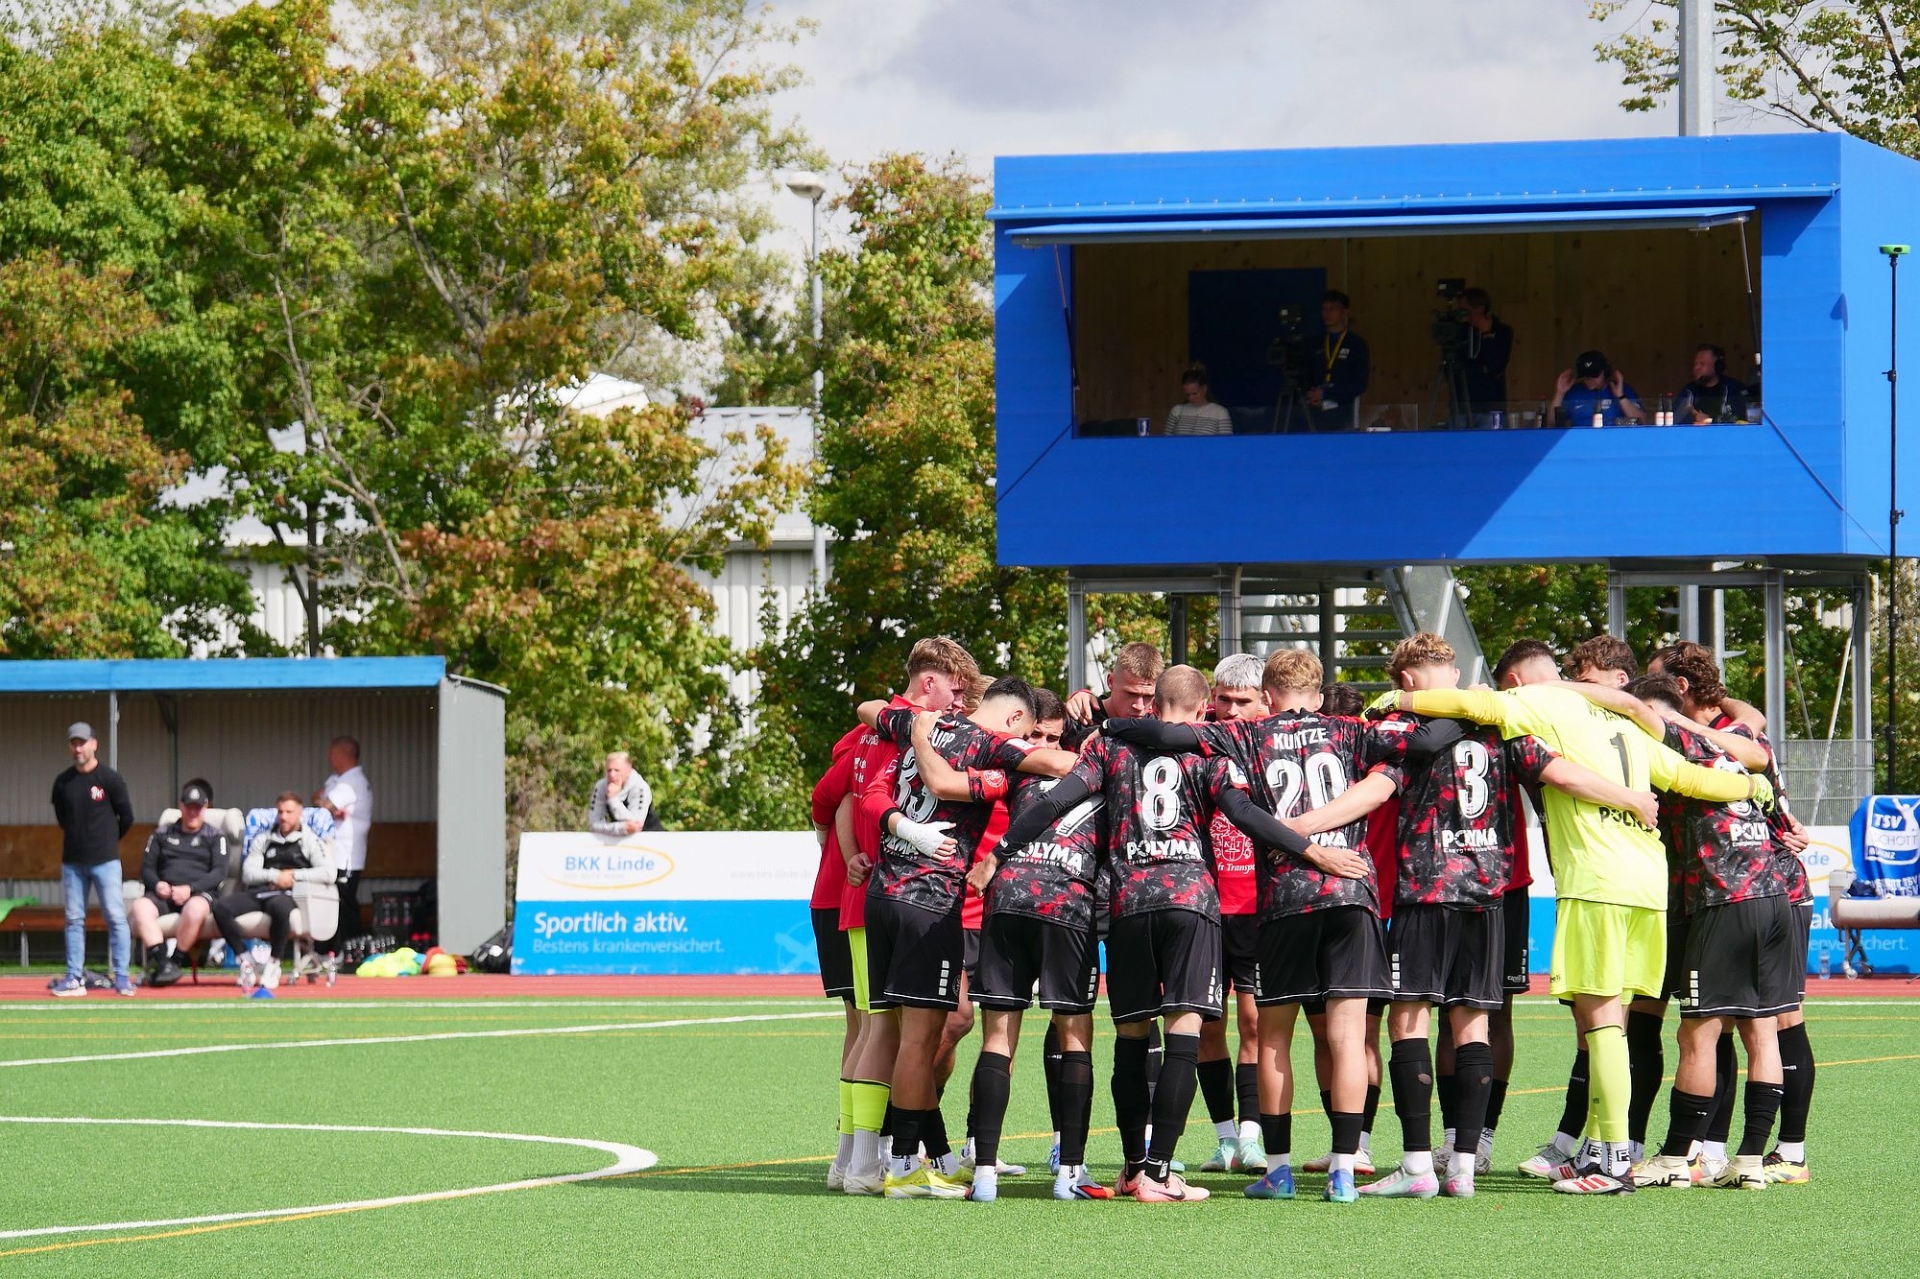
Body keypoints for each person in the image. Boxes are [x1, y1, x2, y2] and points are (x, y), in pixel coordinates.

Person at [1387, 644, 1775, 1194]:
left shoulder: (1545, 705)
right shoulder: (1624, 726)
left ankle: (1612, 1162)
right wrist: (1756, 786)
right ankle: (1598, 1148)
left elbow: (1473, 706)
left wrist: (1395, 699)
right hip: (1649, 885)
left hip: (1597, 882)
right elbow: (1692, 779)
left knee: (1602, 1023)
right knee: (1616, 1021)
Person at [997, 665, 1333, 1204]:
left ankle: (1133, 1168)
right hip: (1190, 903)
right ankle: (1158, 1174)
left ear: (1153, 706)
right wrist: (1310, 850)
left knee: (1131, 1039)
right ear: (1202, 710)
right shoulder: (1210, 751)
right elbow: (1244, 814)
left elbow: (1056, 802)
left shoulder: (1109, 749)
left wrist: (1001, 852)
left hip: (1129, 905)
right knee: (1183, 1036)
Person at [856, 677, 1076, 1200]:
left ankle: (931, 1153)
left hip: (884, 894)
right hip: (928, 901)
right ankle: (902, 1164)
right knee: (919, 1041)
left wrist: (919, 730)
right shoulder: (994, 748)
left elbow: (868, 708)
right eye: (1029, 732)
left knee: (925, 1032)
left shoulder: (920, 722)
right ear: (1016, 720)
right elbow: (1057, 765)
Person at [1619, 674, 1791, 1192]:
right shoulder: (1729, 744)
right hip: (1773, 895)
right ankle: (1750, 1160)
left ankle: (1675, 1158)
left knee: (1697, 1033)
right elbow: (1753, 723)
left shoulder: (1673, 740)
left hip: (1724, 899)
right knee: (1761, 1030)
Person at [839, 636, 983, 1197]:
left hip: (885, 893)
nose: (961, 704)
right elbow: (846, 797)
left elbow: (837, 798)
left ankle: (886, 1159)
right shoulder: (898, 730)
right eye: (956, 691)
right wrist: (860, 849)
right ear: (930, 683)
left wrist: (849, 848)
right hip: (897, 895)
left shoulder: (895, 724)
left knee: (905, 1027)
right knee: (889, 1030)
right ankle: (874, 1162)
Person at [1197, 655, 1270, 1177]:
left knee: (1255, 1024)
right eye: (1224, 699)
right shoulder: (1195, 740)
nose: (1232, 710)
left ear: (1266, 700)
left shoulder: (1278, 743)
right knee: (1207, 1024)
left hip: (1259, 907)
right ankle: (1225, 1137)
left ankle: (1252, 1136)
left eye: (1244, 701)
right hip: (1204, 905)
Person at [211, 792, 335, 988]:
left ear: (300, 813)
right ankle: (246, 959)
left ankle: (274, 963)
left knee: (279, 907)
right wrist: (276, 876)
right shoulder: (263, 839)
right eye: (280, 812)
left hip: (290, 894)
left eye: (289, 812)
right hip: (261, 891)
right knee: (220, 907)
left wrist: (294, 876)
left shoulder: (310, 841)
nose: (284, 817)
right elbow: (249, 873)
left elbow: (328, 872)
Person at [48, 722, 135, 998]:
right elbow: (63, 818)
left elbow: (127, 817)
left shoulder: (110, 779)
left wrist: (106, 842)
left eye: (82, 742)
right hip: (73, 863)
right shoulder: (63, 782)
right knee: (74, 919)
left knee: (116, 917)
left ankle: (122, 977)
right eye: (74, 743)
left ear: (94, 744)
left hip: (106, 861)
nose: (78, 748)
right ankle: (74, 977)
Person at [130, 780, 229, 987]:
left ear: (205, 808)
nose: (193, 812)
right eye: (189, 807)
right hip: (165, 893)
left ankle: (176, 960)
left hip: (198, 893)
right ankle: (164, 963)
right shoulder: (162, 833)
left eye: (197, 808)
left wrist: (190, 889)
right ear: (180, 807)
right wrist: (158, 885)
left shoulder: (215, 835)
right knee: (140, 907)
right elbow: (147, 869)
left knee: (195, 909)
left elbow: (219, 873)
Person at [311, 735, 371, 949]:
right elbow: (317, 799)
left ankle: (347, 948)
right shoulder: (336, 780)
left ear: (343, 754)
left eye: (332, 752)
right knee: (331, 901)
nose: (328, 757)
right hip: (332, 855)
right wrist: (323, 804)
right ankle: (333, 949)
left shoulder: (351, 783)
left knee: (344, 902)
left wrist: (324, 805)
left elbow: (325, 808)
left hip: (345, 857)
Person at [1061, 642, 1162, 749]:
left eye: (1148, 696)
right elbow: (1046, 752)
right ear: (1110, 681)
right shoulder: (1077, 719)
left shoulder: (1160, 726)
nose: (1139, 706)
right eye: (1131, 694)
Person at [1306, 290, 1370, 432]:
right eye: (1324, 309)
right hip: (1316, 414)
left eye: (1333, 308)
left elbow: (1360, 384)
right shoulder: (1314, 344)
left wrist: (1327, 393)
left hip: (1345, 414)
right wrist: (1311, 394)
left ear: (1345, 312)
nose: (1328, 313)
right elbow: (1307, 377)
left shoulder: (1357, 345)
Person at [1458, 287, 1515, 420]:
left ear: (1480, 308)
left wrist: (1487, 334)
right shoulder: (1460, 332)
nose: (1462, 314)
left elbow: (1496, 367)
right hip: (1461, 406)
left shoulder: (1502, 331)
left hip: (1491, 406)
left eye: (1466, 309)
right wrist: (1480, 369)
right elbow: (1455, 367)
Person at [1552, 350, 1644, 427]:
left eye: (1594, 375)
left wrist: (1620, 396)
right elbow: (1551, 424)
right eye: (1586, 376)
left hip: (1614, 440)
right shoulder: (1573, 392)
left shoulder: (1623, 390)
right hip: (1580, 440)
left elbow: (1642, 421)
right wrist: (1560, 393)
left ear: (1606, 372)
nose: (1589, 379)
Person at [1673, 344, 1750, 424]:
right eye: (1695, 364)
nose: (1696, 368)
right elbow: (1674, 422)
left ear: (1718, 366)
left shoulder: (1734, 389)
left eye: (1702, 364)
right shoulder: (1689, 391)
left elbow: (1743, 421)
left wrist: (1711, 421)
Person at [588, 751, 654, 836]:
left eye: (617, 770)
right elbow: (593, 824)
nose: (612, 774)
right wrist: (620, 828)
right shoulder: (601, 787)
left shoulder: (641, 787)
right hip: (616, 839)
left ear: (629, 770)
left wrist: (613, 799)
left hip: (650, 837)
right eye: (609, 770)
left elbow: (636, 824)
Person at [1163, 365, 1233, 436]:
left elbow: (1227, 441)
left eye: (1194, 393)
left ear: (1204, 389)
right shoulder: (1176, 411)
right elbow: (1166, 439)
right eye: (1188, 394)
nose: (1191, 398)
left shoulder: (1220, 413)